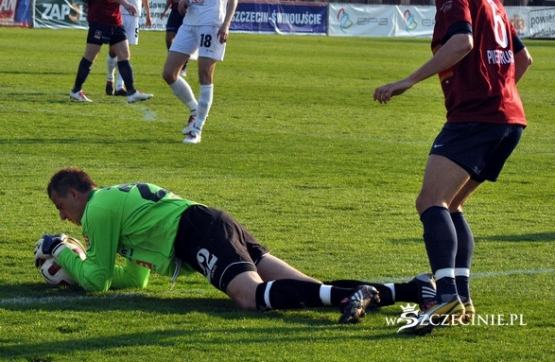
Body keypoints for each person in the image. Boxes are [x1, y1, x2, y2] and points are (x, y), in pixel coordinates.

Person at [373, 0, 533, 334]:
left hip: (476, 118)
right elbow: (523, 59)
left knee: (430, 201)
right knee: (452, 205)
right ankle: (461, 299)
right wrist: (498, 93)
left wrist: (408, 80)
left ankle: (445, 299)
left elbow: (461, 43)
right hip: (508, 119)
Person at [37, 167, 437, 325]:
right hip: (210, 223)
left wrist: (61, 251)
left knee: (250, 297)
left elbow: (98, 281)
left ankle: (359, 294)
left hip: (196, 233)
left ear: (74, 193)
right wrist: (81, 263)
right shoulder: (110, 205)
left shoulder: (97, 211)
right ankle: (413, 290)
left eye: (60, 207)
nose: (63, 218)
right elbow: (134, 280)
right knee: (309, 289)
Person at [161, 0, 240, 144]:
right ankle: (195, 109)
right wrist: (186, 0)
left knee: (204, 74)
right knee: (169, 73)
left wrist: (226, 24)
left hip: (211, 23)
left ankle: (197, 130)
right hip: (190, 22)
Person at [70, 0, 152, 104]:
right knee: (91, 55)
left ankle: (131, 91)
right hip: (100, 19)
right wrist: (126, 3)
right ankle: (76, 90)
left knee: (124, 54)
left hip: (115, 20)